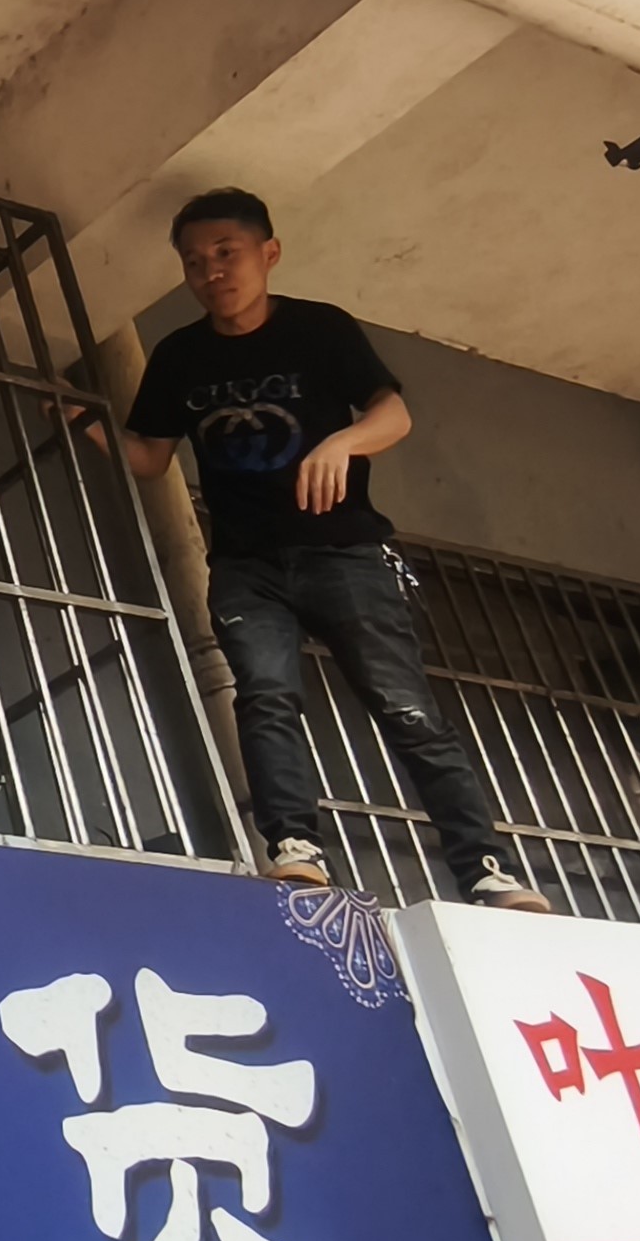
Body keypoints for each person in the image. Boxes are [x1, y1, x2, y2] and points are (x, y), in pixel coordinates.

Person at [117, 186, 552, 912]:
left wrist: (343, 442)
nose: (211, 271)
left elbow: (393, 412)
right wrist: (77, 419)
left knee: (406, 707)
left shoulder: (320, 330)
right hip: (246, 565)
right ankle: (294, 847)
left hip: (344, 552)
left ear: (268, 253)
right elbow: (149, 457)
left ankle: (485, 869)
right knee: (265, 698)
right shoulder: (179, 356)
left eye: (226, 253)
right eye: (195, 262)